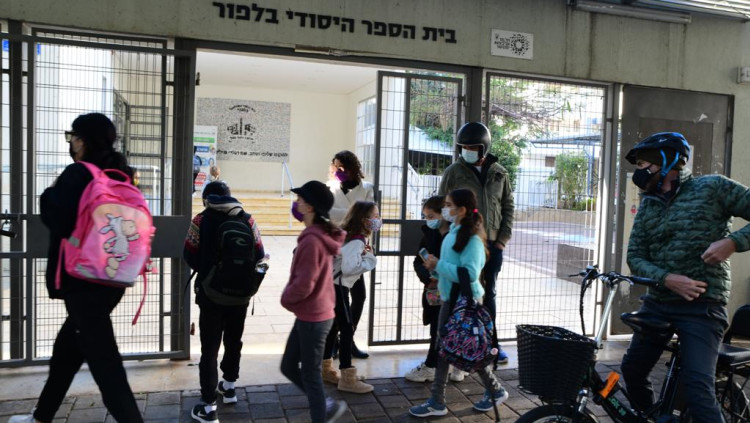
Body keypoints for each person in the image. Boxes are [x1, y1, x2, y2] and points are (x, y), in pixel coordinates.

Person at [9, 113, 143, 423]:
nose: (71, 143)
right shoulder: (122, 174)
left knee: (106, 367)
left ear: (81, 141)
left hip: (83, 281)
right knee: (66, 353)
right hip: (113, 278)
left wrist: (49, 193)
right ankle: (41, 416)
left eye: (73, 138)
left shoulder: (79, 173)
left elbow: (56, 217)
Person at [622, 132, 750, 423]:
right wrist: (666, 278)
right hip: (657, 303)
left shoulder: (712, 187)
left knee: (697, 389)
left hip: (703, 307)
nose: (638, 172)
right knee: (632, 371)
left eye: (642, 164)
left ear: (665, 162)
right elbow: (636, 256)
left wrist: (732, 242)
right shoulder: (649, 203)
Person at [409, 189, 509, 418]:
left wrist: (438, 265)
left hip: (464, 300)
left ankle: (441, 400)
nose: (445, 209)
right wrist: (436, 268)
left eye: (448, 205)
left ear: (462, 210)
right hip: (451, 298)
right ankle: (485, 392)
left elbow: (470, 273)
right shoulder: (453, 234)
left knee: (459, 348)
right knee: (449, 348)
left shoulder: (472, 239)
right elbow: (453, 268)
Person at [183, 180, 265, 423]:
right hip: (241, 294)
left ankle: (208, 406)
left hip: (211, 295)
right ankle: (229, 387)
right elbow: (260, 253)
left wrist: (209, 271)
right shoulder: (247, 219)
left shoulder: (200, 220)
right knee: (233, 339)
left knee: (209, 348)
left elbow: (189, 254)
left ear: (206, 199)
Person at [438, 122, 514, 367]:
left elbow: (508, 206)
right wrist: (447, 236)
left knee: (488, 294)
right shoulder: (454, 172)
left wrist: (501, 241)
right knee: (462, 294)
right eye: (464, 147)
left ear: (484, 148)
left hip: (492, 245)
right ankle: (457, 346)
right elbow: (442, 205)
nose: (467, 151)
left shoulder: (500, 173)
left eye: (472, 147)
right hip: (465, 243)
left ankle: (491, 346)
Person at [280, 180, 348, 423]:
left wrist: (286, 298)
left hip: (315, 319)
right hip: (311, 315)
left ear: (310, 207)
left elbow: (305, 283)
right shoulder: (317, 235)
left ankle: (325, 411)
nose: (296, 203)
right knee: (289, 366)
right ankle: (326, 406)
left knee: (310, 375)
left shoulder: (312, 240)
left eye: (300, 199)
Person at [404, 195, 466, 383]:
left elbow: (463, 267)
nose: (428, 220)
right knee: (437, 328)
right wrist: (427, 277)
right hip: (434, 290)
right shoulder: (428, 235)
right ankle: (437, 366)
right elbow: (418, 261)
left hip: (453, 290)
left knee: (452, 329)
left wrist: (440, 269)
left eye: (431, 216)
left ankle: (447, 365)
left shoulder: (458, 235)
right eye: (425, 217)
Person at [322, 201, 379, 393]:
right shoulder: (356, 241)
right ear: (363, 220)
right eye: (375, 216)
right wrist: (370, 259)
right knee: (346, 328)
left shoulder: (347, 234)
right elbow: (348, 269)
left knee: (333, 327)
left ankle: (326, 369)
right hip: (338, 287)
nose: (378, 220)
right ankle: (347, 377)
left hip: (330, 285)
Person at [326, 150, 374, 359]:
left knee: (360, 297)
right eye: (336, 166)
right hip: (335, 250)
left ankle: (348, 338)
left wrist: (344, 217)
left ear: (353, 168)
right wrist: (353, 216)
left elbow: (369, 217)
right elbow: (325, 215)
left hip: (355, 248)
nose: (339, 170)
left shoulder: (366, 189)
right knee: (339, 299)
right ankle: (336, 342)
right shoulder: (329, 188)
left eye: (343, 167)